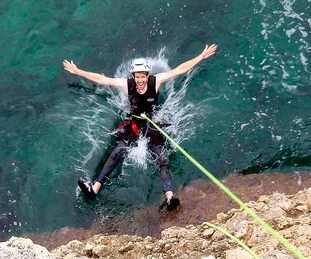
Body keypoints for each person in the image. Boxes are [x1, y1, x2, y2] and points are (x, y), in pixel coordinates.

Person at [63, 44, 217, 211]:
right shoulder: (126, 84)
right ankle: (94, 189)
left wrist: (200, 57)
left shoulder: (155, 81)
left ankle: (170, 197)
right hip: (134, 123)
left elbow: (179, 70)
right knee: (117, 151)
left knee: (161, 158)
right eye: (137, 76)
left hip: (151, 123)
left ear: (147, 75)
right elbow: (103, 79)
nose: (140, 80)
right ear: (134, 76)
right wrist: (78, 72)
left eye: (143, 76)